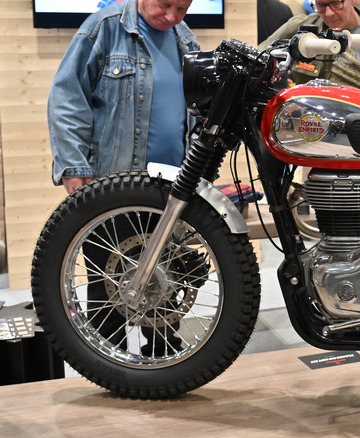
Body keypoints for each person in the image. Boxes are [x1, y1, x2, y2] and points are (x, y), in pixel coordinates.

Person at [47, 0, 200, 355]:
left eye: (182, 8)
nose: (172, 17)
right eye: (166, 5)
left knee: (165, 290)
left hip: (170, 194)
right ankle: (110, 369)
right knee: (108, 295)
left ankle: (164, 365)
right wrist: (73, 167)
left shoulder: (186, 41)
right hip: (111, 192)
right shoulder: (104, 28)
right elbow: (68, 98)